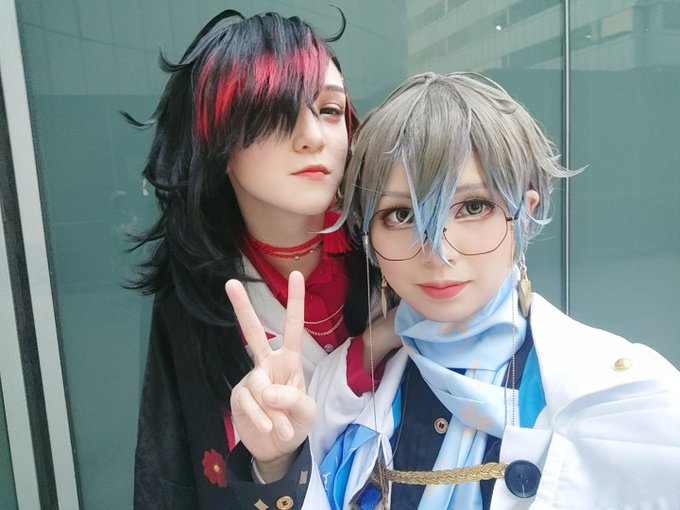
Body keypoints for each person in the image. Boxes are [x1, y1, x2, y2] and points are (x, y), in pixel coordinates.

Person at [224, 72, 680, 509]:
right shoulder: (345, 391)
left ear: (524, 215)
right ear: (370, 238)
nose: (438, 252)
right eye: (402, 216)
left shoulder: (626, 397)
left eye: (474, 207)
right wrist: (275, 462)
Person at [126, 9, 397, 509]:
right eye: (275, 112)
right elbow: (171, 479)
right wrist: (271, 463)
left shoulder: (395, 253)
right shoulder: (194, 297)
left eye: (330, 109)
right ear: (218, 142)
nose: (313, 136)